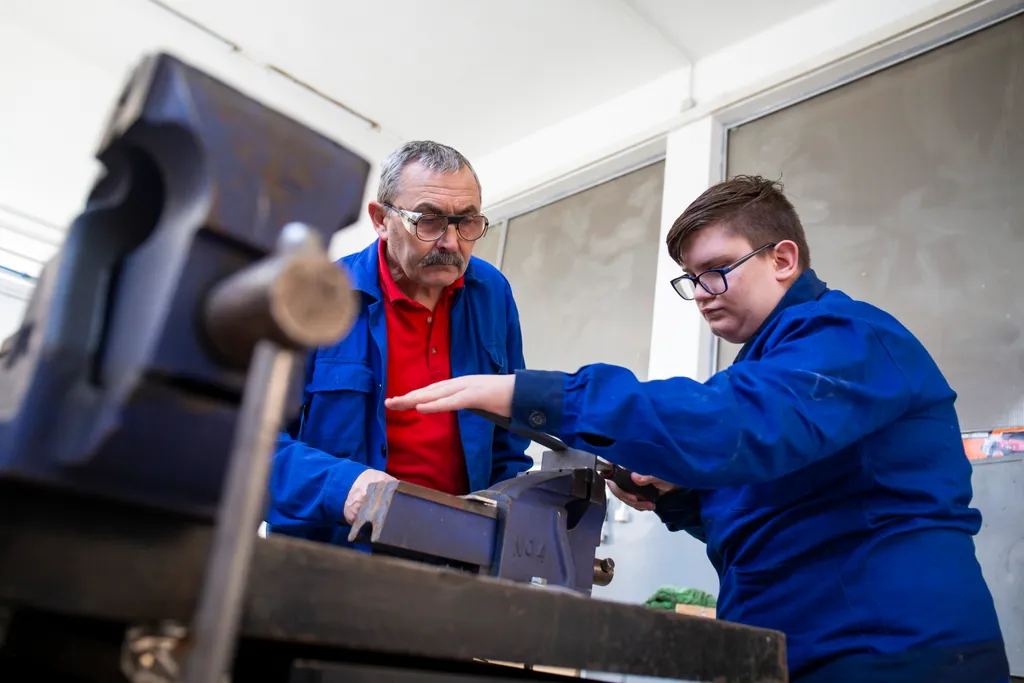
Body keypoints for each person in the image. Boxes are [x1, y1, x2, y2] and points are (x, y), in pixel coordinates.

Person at [385, 176, 1010, 683]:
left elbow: (731, 424)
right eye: (691, 279)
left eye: (715, 269)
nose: (702, 293)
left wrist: (538, 393)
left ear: (783, 258)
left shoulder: (849, 339)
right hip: (791, 653)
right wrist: (678, 498)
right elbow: (777, 511)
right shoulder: (769, 368)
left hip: (892, 655)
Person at [267, 140, 533, 546]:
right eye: (428, 221)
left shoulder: (492, 293)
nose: (451, 242)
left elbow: (509, 437)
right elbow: (253, 442)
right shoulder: (316, 297)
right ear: (380, 219)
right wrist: (342, 487)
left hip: (457, 554)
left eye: (467, 222)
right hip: (332, 551)